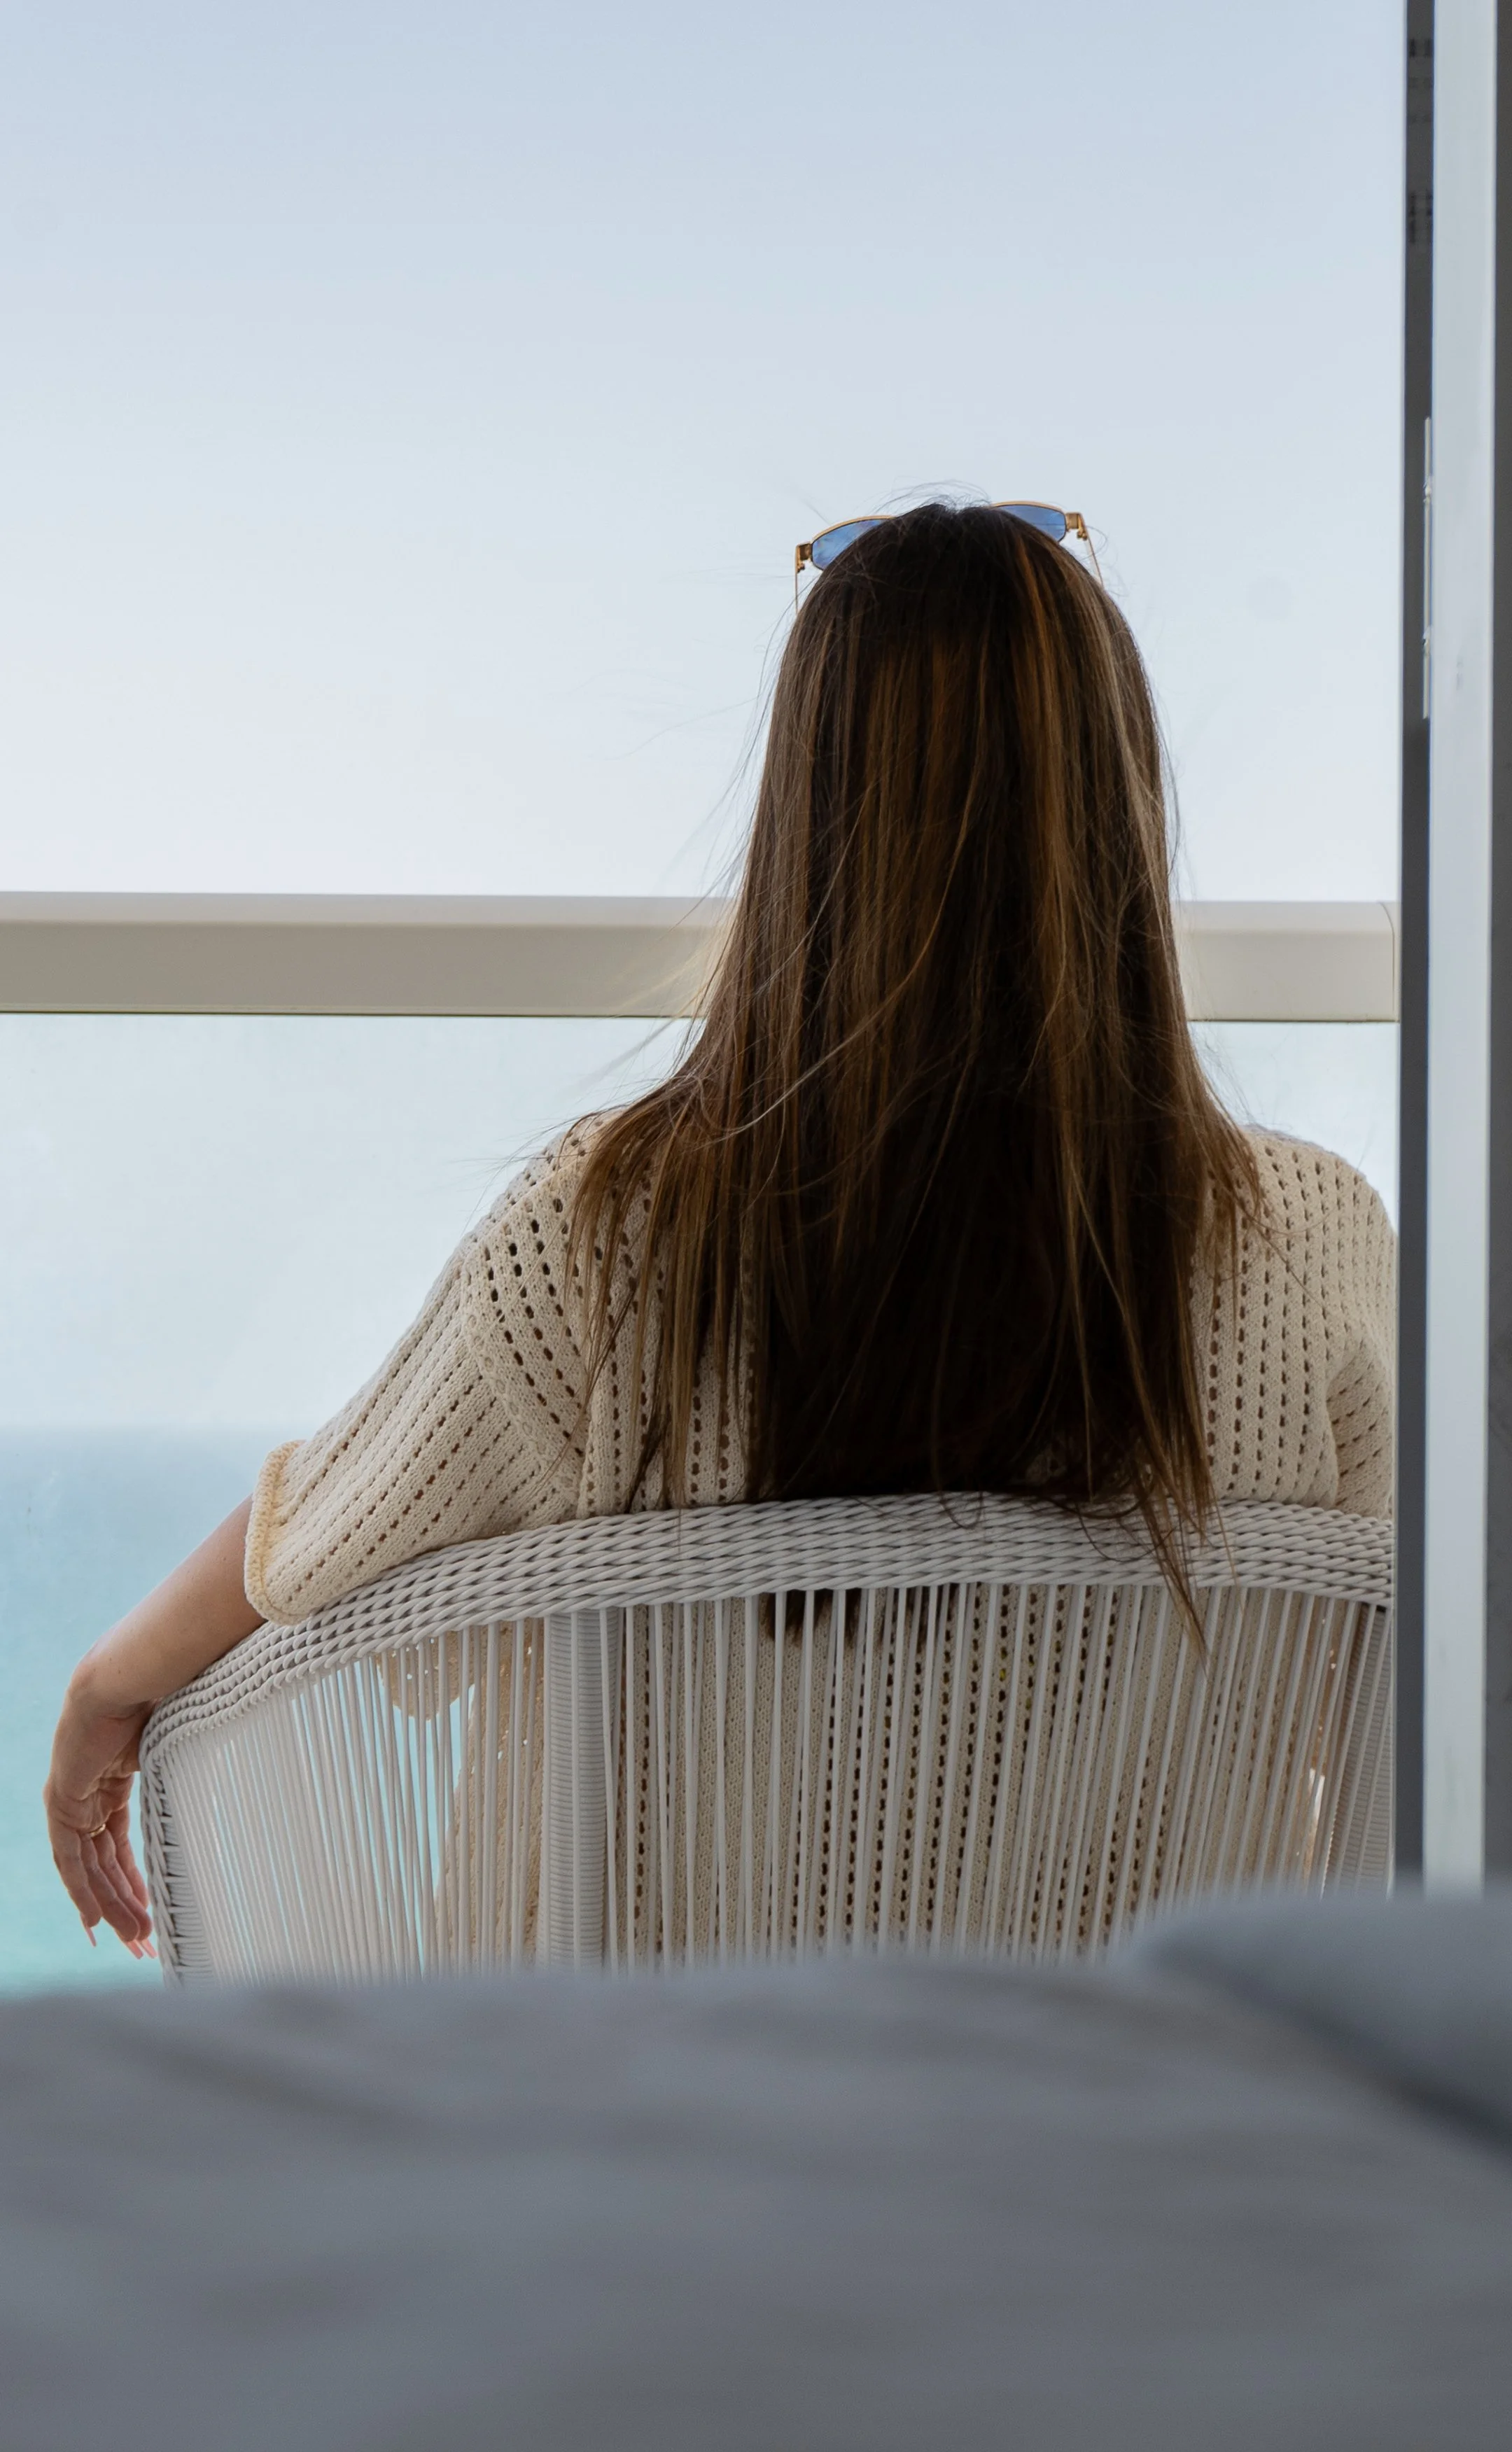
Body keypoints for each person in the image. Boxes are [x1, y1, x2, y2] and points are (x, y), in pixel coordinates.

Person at [43, 500, 1396, 1958]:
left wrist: (108, 1684)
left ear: (807, 813)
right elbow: (1399, 1697)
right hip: (1130, 2147)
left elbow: (326, 1536)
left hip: (637, 2139)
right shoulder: (1310, 1246)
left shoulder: (606, 1234)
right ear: (1119, 813)